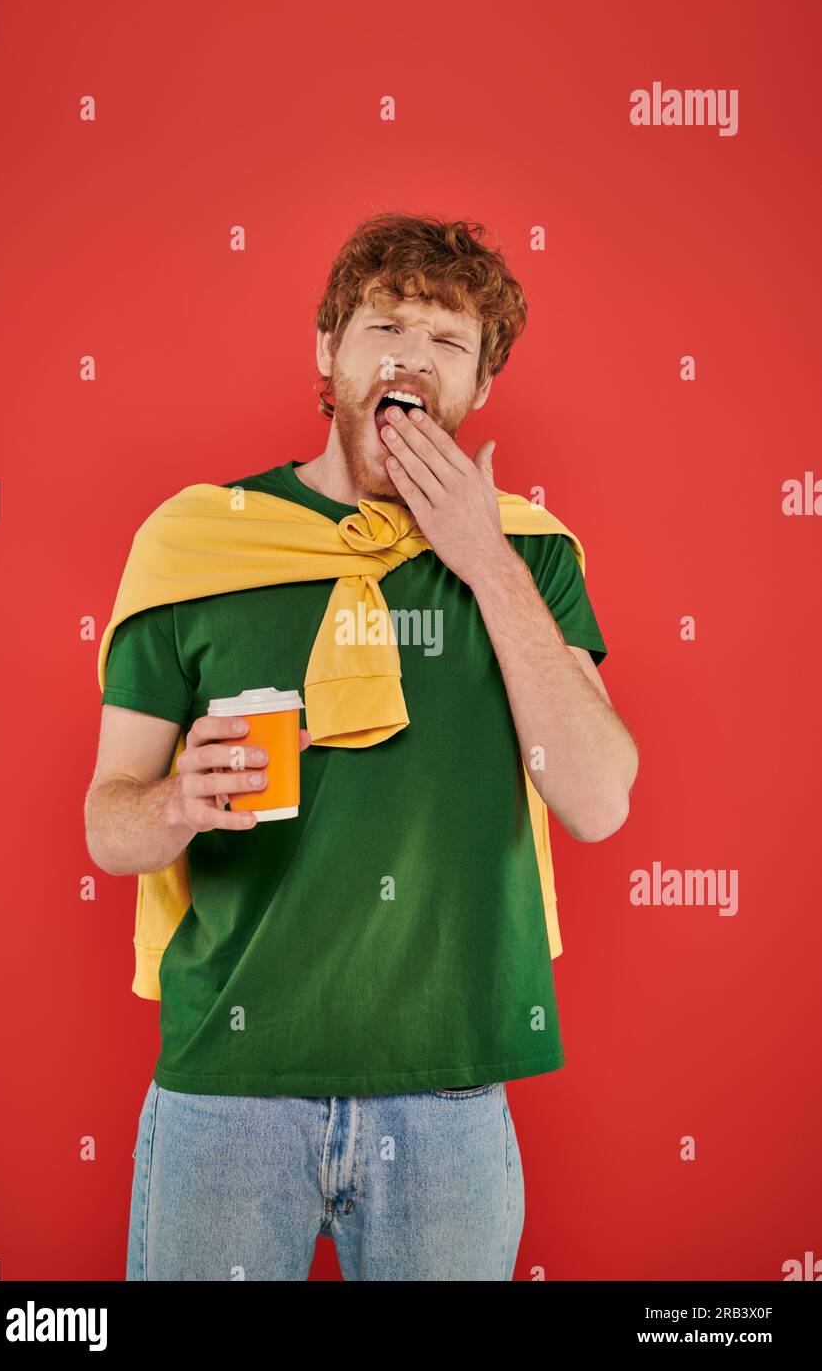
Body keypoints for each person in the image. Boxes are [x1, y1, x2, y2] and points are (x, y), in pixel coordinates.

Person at [84, 210, 638, 1281]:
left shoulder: (528, 558)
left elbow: (598, 799)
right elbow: (110, 825)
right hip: (229, 1092)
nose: (411, 359)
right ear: (327, 354)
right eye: (385, 326)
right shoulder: (196, 544)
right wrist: (176, 804)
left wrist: (482, 560)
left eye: (447, 343)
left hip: (447, 1098)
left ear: (475, 391)